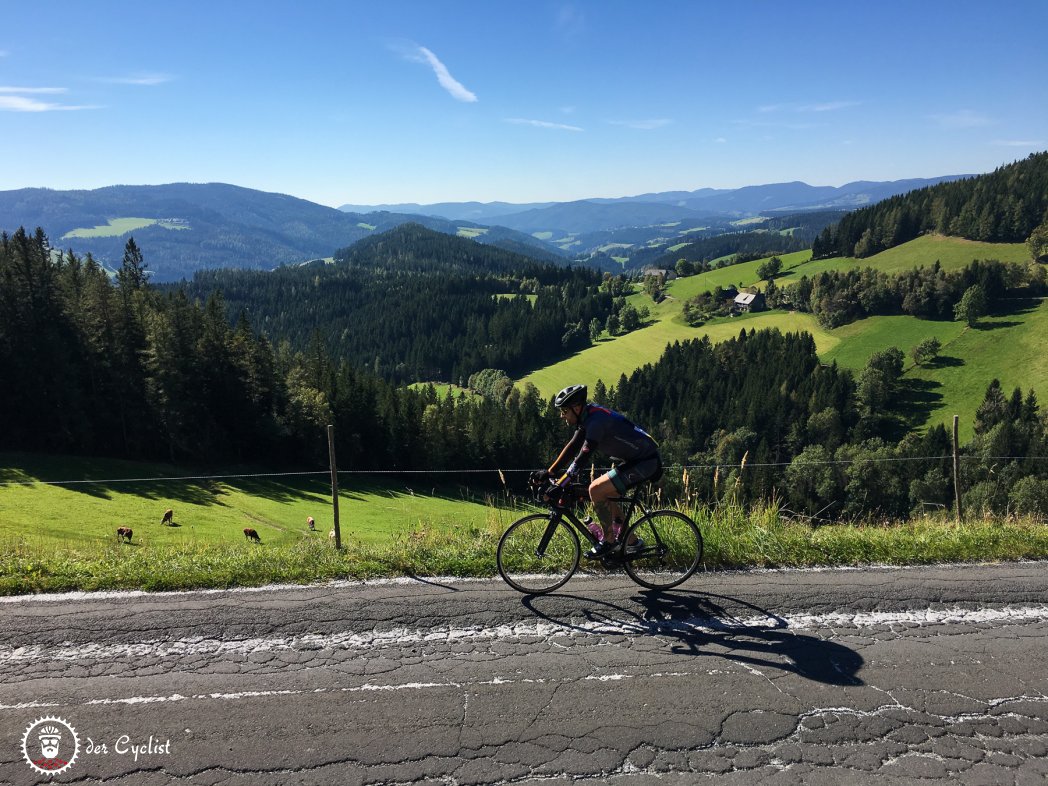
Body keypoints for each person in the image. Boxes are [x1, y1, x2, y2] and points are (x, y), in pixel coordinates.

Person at [534, 384, 662, 558]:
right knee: (605, 495)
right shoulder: (588, 416)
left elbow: (582, 457)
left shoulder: (596, 422)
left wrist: (561, 482)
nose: (562, 415)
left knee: (595, 489)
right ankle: (632, 542)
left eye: (564, 410)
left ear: (577, 407)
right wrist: (550, 472)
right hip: (636, 460)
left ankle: (608, 542)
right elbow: (572, 447)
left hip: (646, 462)